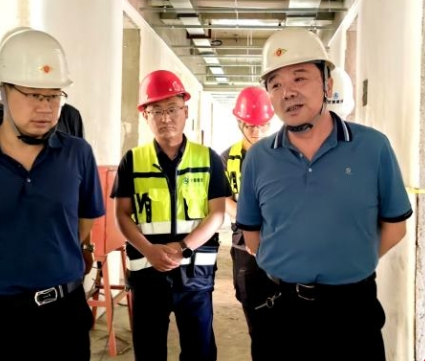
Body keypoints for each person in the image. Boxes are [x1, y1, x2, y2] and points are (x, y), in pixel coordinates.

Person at [237, 28, 412, 361]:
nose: (288, 92)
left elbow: (395, 227)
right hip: (281, 312)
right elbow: (252, 237)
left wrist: (350, 261)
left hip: (353, 312)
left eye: (299, 78)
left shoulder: (372, 148)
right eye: (275, 84)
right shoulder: (259, 158)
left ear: (327, 85)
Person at [0, 28, 105, 361]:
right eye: (33, 95)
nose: (45, 108)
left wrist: (55, 249)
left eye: (53, 96)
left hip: (64, 315)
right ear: (4, 91)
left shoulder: (77, 153)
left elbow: (85, 218)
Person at [111, 69, 231, 361]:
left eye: (172, 109)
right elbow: (122, 215)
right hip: (148, 275)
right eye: (157, 111)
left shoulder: (208, 159)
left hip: (195, 274)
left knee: (199, 351)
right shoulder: (132, 161)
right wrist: (149, 250)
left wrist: (183, 247)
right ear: (145, 115)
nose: (165, 118)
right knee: (149, 351)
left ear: (185, 111)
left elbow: (217, 213)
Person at [219, 86, 273, 360]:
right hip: (245, 251)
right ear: (239, 122)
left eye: (262, 125)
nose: (256, 131)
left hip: (280, 248)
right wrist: (250, 223)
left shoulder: (284, 153)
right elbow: (221, 200)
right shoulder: (226, 159)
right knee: (257, 323)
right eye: (250, 125)